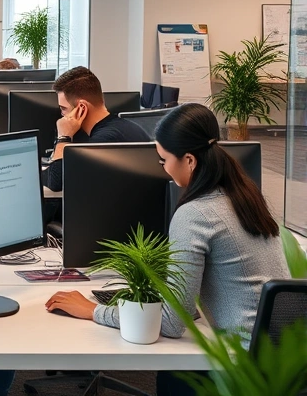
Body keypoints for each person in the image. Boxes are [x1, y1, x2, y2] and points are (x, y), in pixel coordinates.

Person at [45, 103, 289, 396]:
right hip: (284, 360)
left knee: (173, 375)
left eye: (163, 160)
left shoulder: (197, 213)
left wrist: (93, 310)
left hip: (241, 370)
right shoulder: (245, 196)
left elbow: (173, 322)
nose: (163, 168)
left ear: (189, 160)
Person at [42, 67, 150, 192]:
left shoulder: (103, 142)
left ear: (82, 108)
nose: (62, 115)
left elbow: (56, 182)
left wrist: (63, 137)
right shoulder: (125, 128)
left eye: (63, 108)